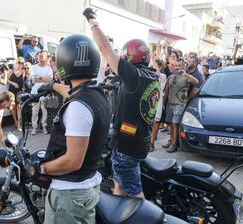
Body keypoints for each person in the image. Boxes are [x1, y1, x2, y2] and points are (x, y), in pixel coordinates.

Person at [24, 34, 110, 224]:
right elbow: (74, 93)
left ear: (64, 64)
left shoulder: (78, 107)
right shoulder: (96, 93)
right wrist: (52, 86)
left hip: (69, 194)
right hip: (87, 187)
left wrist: (39, 169)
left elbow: (72, 161)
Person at [83, 8, 160, 199]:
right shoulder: (152, 77)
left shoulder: (133, 75)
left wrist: (92, 21)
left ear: (127, 57)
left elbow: (105, 49)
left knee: (135, 194)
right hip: (140, 140)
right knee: (119, 186)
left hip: (127, 146)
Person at [163, 59, 198, 153]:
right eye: (176, 66)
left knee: (175, 124)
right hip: (170, 103)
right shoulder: (171, 76)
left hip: (180, 103)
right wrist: (163, 102)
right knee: (170, 123)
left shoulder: (187, 77)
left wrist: (185, 74)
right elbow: (167, 90)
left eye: (180, 66)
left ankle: (174, 144)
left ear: (184, 66)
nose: (177, 68)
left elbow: (196, 82)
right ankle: (171, 141)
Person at [30, 50, 53, 135]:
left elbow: (50, 80)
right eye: (39, 56)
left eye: (42, 56)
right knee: (34, 111)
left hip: (45, 92)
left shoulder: (48, 68)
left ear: (46, 57)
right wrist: (44, 78)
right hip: (35, 92)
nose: (40, 58)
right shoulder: (33, 67)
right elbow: (33, 79)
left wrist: (39, 78)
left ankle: (44, 127)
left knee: (45, 111)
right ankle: (34, 127)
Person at [150, 58, 167, 152]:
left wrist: (153, 58)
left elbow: (158, 75)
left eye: (155, 66)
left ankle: (151, 144)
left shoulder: (163, 76)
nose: (153, 68)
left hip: (158, 101)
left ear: (160, 67)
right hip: (150, 101)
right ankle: (148, 142)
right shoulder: (149, 74)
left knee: (156, 123)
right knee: (149, 123)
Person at [7, 56, 25, 130]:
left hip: (19, 91)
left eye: (22, 63)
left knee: (19, 106)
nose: (20, 64)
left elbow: (24, 81)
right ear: (16, 63)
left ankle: (19, 123)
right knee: (13, 106)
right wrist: (13, 83)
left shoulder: (23, 72)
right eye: (19, 62)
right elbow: (6, 80)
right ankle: (15, 121)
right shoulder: (11, 71)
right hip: (12, 90)